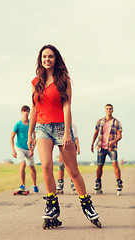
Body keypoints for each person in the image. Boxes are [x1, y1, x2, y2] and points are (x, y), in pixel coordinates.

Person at [27, 44, 101, 228]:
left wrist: (68, 132)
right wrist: (30, 133)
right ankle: (51, 205)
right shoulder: (36, 82)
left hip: (61, 127)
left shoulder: (64, 80)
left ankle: (87, 204)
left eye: (50, 56)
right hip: (42, 128)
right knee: (45, 166)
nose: (47, 59)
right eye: (44, 57)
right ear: (40, 59)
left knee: (72, 170)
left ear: (56, 59)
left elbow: (67, 107)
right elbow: (35, 108)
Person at [91, 104, 123, 194]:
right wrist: (92, 144)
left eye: (110, 109)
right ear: (105, 110)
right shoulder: (100, 121)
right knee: (100, 165)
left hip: (112, 147)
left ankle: (119, 181)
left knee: (115, 163)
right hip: (101, 146)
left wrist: (114, 141)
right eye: (107, 109)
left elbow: (120, 136)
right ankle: (98, 181)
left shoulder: (117, 122)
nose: (109, 110)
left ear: (112, 110)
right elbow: (96, 133)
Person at [10, 105, 39, 193]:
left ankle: (34, 185)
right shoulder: (18, 124)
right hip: (19, 148)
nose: (26, 113)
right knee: (22, 165)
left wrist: (32, 149)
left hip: (29, 148)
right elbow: (11, 137)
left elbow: (35, 137)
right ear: (21, 113)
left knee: (32, 168)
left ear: (29, 113)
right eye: (24, 111)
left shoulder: (31, 124)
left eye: (27, 111)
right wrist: (13, 150)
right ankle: (22, 185)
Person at [56, 123, 80, 194]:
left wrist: (78, 148)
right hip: (62, 146)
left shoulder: (73, 126)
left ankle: (74, 184)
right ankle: (60, 183)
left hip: (72, 147)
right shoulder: (60, 125)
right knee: (61, 165)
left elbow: (76, 138)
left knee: (72, 166)